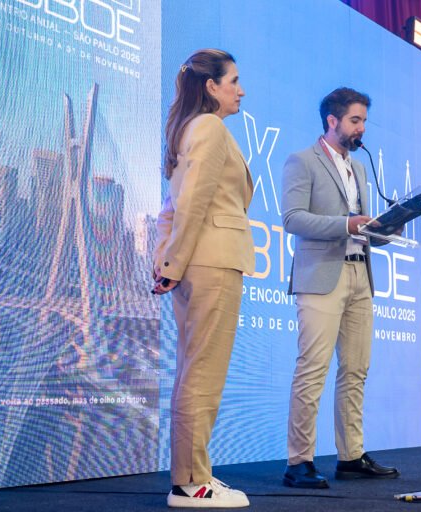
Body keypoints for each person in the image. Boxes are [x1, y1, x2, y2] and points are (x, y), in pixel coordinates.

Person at [281, 87, 399, 489]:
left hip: (360, 276)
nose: (361, 128)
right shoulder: (302, 161)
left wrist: (389, 227)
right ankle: (299, 462)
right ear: (332, 121)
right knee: (312, 369)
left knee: (356, 370)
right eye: (354, 120)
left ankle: (350, 456)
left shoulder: (359, 168)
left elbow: (363, 230)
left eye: (363, 120)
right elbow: (293, 219)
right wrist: (347, 224)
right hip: (321, 276)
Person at [152, 48, 253, 508]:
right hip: (212, 263)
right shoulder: (209, 127)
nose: (241, 91)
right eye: (234, 81)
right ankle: (192, 483)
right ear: (211, 86)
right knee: (203, 374)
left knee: (194, 370)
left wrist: (167, 262)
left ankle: (195, 475)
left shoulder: (187, 129)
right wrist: (170, 265)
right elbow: (190, 204)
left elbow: (171, 211)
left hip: (196, 263)